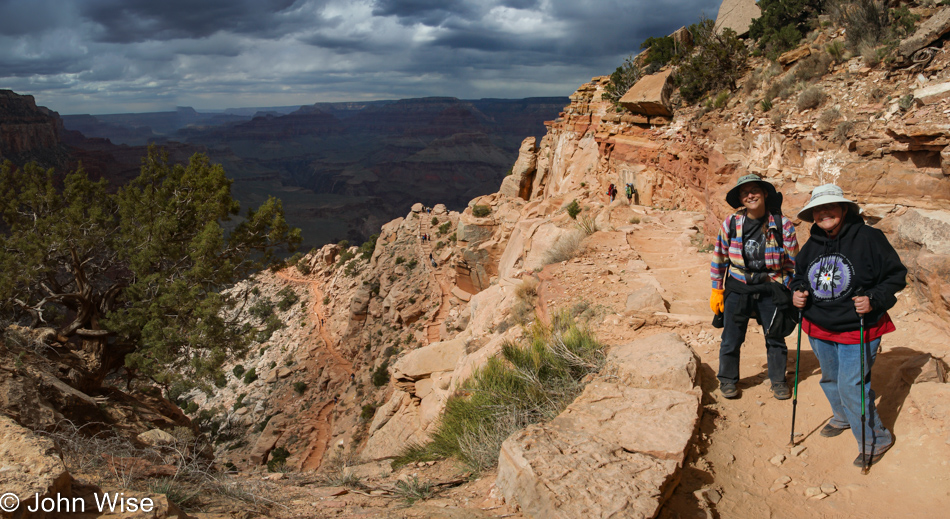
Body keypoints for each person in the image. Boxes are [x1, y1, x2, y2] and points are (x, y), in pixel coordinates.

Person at [790, 184, 905, 467]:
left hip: (859, 327)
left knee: (852, 385)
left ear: (844, 209)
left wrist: (874, 299)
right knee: (830, 379)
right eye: (818, 209)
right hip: (819, 327)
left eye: (830, 207)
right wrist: (799, 290)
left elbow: (896, 276)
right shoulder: (813, 242)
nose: (824, 213)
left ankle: (876, 438)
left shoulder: (869, 238)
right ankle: (842, 416)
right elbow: (799, 275)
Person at [710, 174, 799, 400]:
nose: (750, 195)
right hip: (738, 286)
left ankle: (778, 380)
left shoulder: (782, 225)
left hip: (771, 288)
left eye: (754, 191)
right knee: (732, 337)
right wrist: (716, 289)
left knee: (775, 336)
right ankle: (728, 380)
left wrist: (790, 288)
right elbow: (720, 257)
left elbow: (793, 263)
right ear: (740, 198)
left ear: (764, 194)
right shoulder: (731, 223)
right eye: (744, 192)